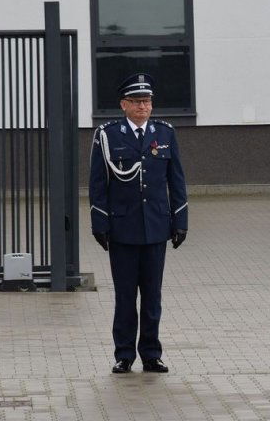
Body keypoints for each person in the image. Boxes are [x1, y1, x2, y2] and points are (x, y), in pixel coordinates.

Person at [88, 73, 189, 374]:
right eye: (137, 102)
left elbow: (177, 181)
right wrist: (100, 224)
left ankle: (151, 353)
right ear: (124, 105)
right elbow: (97, 184)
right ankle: (123, 355)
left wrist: (180, 220)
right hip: (123, 229)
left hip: (156, 227)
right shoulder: (108, 135)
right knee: (125, 296)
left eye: (147, 101)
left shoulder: (165, 133)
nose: (143, 107)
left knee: (152, 296)